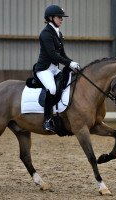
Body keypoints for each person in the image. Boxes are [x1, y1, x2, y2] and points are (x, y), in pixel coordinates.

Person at [33, 4, 80, 133]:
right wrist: (69, 63)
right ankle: (47, 120)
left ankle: (61, 113)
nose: (61, 19)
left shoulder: (58, 33)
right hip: (44, 69)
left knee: (67, 81)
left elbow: (62, 54)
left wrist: (72, 63)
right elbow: (52, 54)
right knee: (52, 89)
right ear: (50, 18)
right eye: (59, 17)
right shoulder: (45, 34)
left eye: (62, 17)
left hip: (54, 68)